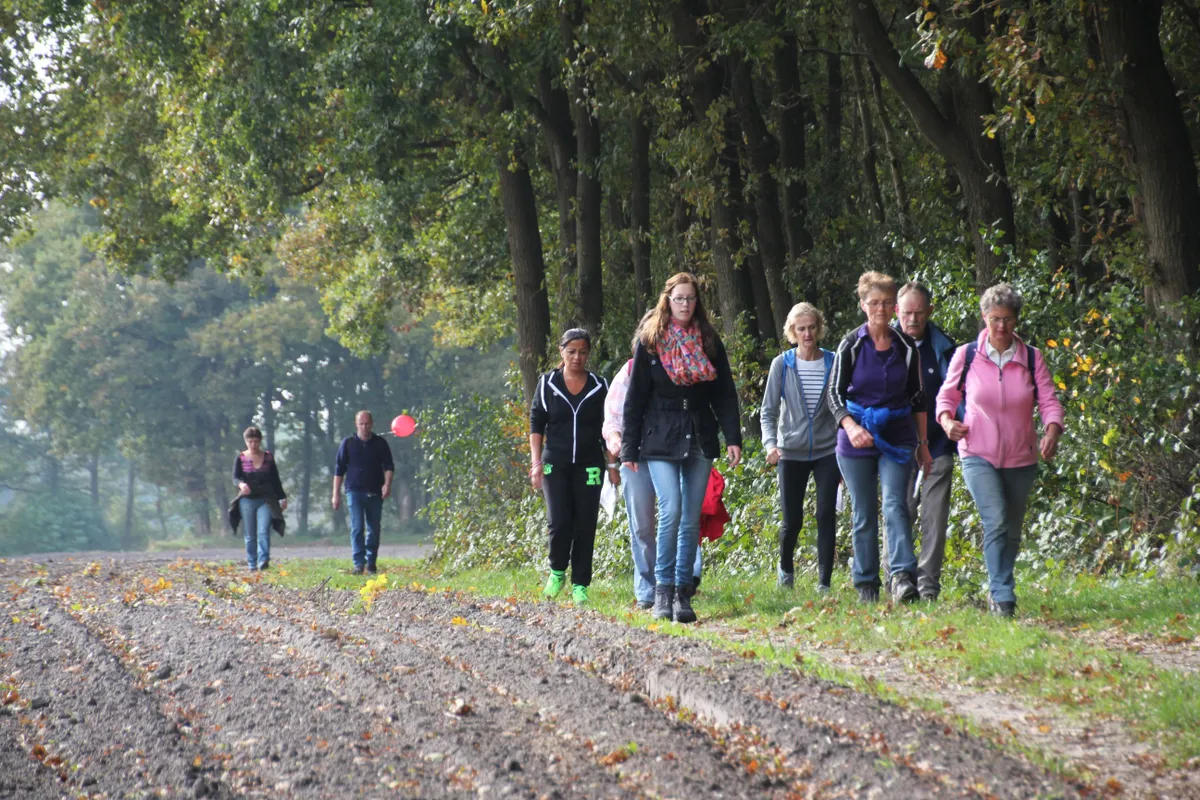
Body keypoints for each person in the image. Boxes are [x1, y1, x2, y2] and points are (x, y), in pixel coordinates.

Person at [936, 283, 1064, 617]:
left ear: (1016, 319)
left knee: (1013, 529)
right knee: (995, 520)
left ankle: (1000, 586)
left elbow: (1049, 401)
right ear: (984, 318)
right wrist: (948, 422)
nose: (1001, 327)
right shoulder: (966, 356)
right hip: (977, 451)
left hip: (1022, 455)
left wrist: (1052, 431)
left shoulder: (1032, 357)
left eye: (1007, 319)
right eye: (995, 319)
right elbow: (946, 397)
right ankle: (1002, 595)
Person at [621, 273, 742, 624]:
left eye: (690, 298)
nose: (685, 304)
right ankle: (662, 589)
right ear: (667, 301)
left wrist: (732, 437)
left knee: (691, 518)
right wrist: (628, 448)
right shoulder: (650, 341)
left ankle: (682, 592)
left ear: (697, 302)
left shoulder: (708, 339)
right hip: (659, 436)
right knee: (671, 509)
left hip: (700, 435)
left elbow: (724, 393)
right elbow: (636, 397)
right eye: (679, 298)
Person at [828, 271, 933, 604]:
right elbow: (833, 394)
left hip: (897, 436)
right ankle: (866, 584)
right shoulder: (851, 344)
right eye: (874, 302)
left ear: (894, 307)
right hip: (855, 437)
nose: (881, 309)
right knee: (862, 512)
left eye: (888, 303)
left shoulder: (905, 347)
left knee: (895, 505)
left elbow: (918, 398)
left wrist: (923, 445)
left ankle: (902, 577)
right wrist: (851, 426)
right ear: (863, 305)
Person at [604, 331, 703, 611]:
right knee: (643, 524)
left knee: (680, 512)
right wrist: (618, 448)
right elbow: (612, 419)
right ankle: (647, 588)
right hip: (636, 455)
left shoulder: (681, 366)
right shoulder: (629, 372)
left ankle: (681, 580)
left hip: (669, 449)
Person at [761, 302, 840, 593]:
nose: (807, 334)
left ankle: (824, 583)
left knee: (825, 514)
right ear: (792, 332)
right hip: (789, 451)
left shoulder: (833, 361)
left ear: (818, 329)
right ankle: (786, 568)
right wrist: (771, 444)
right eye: (801, 329)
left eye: (811, 328)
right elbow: (767, 411)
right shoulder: (782, 364)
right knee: (792, 520)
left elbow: (840, 408)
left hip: (827, 450)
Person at [530, 328, 611, 606]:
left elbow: (608, 426)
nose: (577, 357)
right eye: (572, 351)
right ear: (561, 351)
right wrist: (536, 463)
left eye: (583, 352)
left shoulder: (601, 385)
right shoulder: (547, 383)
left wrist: (612, 463)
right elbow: (536, 423)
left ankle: (580, 585)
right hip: (556, 463)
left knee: (585, 524)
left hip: (590, 464)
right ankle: (556, 572)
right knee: (559, 521)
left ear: (589, 354)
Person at [889, 282, 959, 601]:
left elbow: (959, 394)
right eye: (907, 313)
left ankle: (928, 582)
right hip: (897, 446)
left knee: (934, 513)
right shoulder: (881, 347)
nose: (913, 320)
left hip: (936, 444)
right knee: (899, 509)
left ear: (929, 312)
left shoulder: (944, 349)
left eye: (919, 313)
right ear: (896, 313)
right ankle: (899, 577)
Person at [332, 410, 394, 575]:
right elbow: (339, 470)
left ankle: (371, 562)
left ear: (371, 424)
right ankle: (359, 563)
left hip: (375, 492)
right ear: (356, 424)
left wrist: (387, 484)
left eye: (367, 424)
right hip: (354, 491)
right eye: (361, 424)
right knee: (357, 527)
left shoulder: (380, 443)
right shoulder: (348, 443)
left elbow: (389, 466)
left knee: (374, 529)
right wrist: (335, 494)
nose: (364, 427)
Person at [231, 426, 287, 572]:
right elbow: (235, 477)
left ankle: (263, 560)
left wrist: (282, 497)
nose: (253, 445)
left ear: (260, 441)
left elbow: (275, 479)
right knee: (250, 533)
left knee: (263, 530)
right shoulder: (241, 458)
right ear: (246, 441)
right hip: (247, 499)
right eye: (250, 441)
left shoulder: (268, 457)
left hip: (266, 499)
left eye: (256, 441)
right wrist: (241, 484)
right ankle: (251, 563)